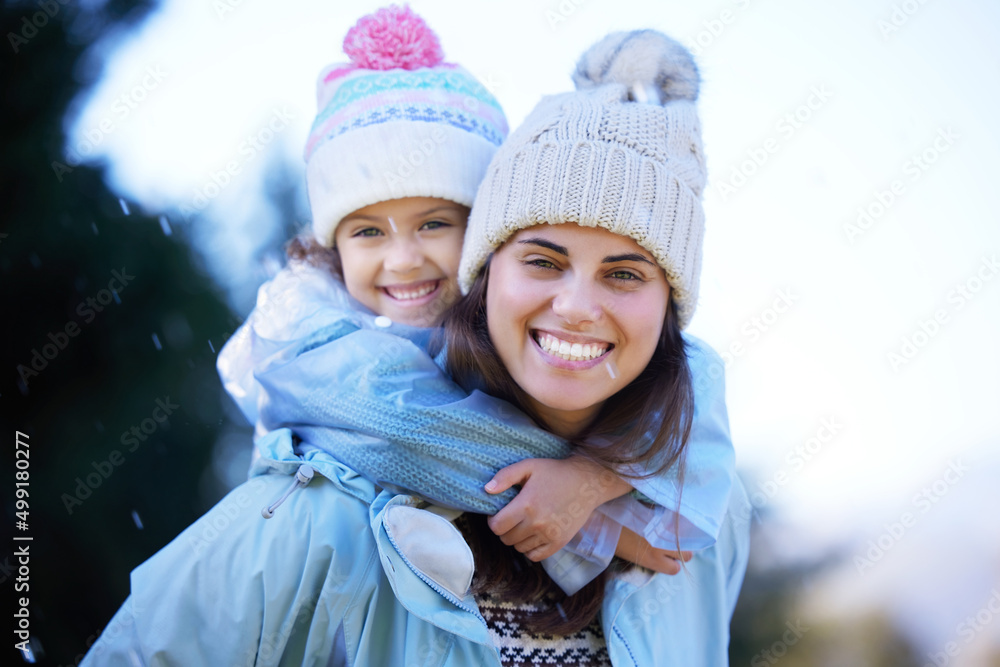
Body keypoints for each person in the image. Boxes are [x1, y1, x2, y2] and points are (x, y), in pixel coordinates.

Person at [81, 17, 748, 667]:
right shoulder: (322, 501)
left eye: (625, 273)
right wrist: (582, 500)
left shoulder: (704, 521)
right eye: (542, 260)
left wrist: (598, 478)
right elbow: (390, 423)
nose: (404, 262)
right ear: (494, 269)